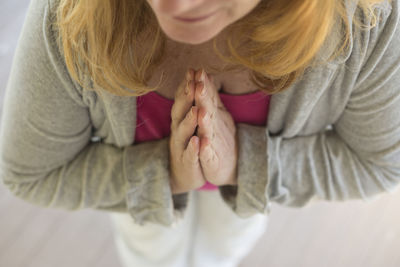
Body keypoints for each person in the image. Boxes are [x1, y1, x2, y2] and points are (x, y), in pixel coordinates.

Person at [1, 0, 399, 266]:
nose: (176, 7)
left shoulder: (369, 18)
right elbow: (32, 173)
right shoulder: (70, 14)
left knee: (226, 242)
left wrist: (244, 167)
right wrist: (166, 176)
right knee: (149, 250)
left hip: (244, 197)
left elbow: (381, 164)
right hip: (137, 198)